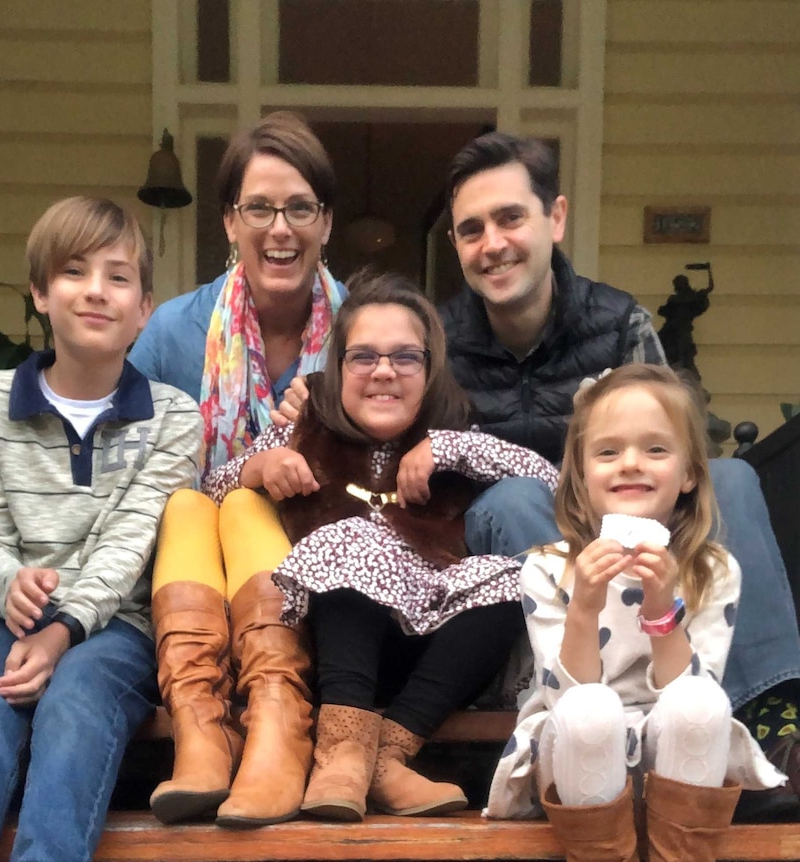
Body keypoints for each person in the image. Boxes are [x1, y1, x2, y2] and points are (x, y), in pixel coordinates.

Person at [440, 131, 800, 815]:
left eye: (511, 217)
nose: (493, 243)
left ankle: (771, 719)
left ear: (556, 218)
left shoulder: (618, 322)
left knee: (734, 478)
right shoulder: (438, 339)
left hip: (632, 518)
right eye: (471, 229)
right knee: (518, 495)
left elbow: (672, 438)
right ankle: (576, 705)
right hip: (518, 533)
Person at [202, 271, 559, 822]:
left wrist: (449, 450)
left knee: (517, 576)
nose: (384, 372)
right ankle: (339, 757)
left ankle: (387, 758)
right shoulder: (304, 427)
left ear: (430, 369)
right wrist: (260, 465)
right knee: (352, 538)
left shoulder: (452, 431)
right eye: (363, 356)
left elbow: (547, 481)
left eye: (405, 357)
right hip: (332, 646)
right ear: (338, 367)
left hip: (430, 661)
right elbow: (210, 488)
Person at [0, 197, 203, 862]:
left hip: (115, 625)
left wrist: (61, 631)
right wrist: (12, 588)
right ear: (39, 292)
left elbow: (131, 545)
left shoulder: (174, 418)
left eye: (118, 277)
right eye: (73, 272)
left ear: (145, 309)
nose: (95, 292)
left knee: (77, 707)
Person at [127, 111, 347, 827]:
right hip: (193, 590)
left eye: (299, 208)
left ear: (326, 223)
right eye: (259, 208)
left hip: (324, 572)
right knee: (192, 506)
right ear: (229, 221)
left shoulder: (367, 335)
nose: (279, 229)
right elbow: (134, 476)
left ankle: (276, 722)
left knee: (241, 505)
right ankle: (204, 731)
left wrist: (317, 436)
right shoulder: (174, 333)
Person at [486, 365, 785, 862]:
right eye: (607, 451)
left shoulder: (712, 570)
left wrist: (661, 607)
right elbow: (564, 697)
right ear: (581, 475)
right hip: (575, 750)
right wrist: (584, 605)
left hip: (675, 749)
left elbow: (696, 690)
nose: (630, 463)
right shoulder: (548, 567)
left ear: (689, 473)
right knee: (591, 708)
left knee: (702, 701)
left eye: (656, 449)